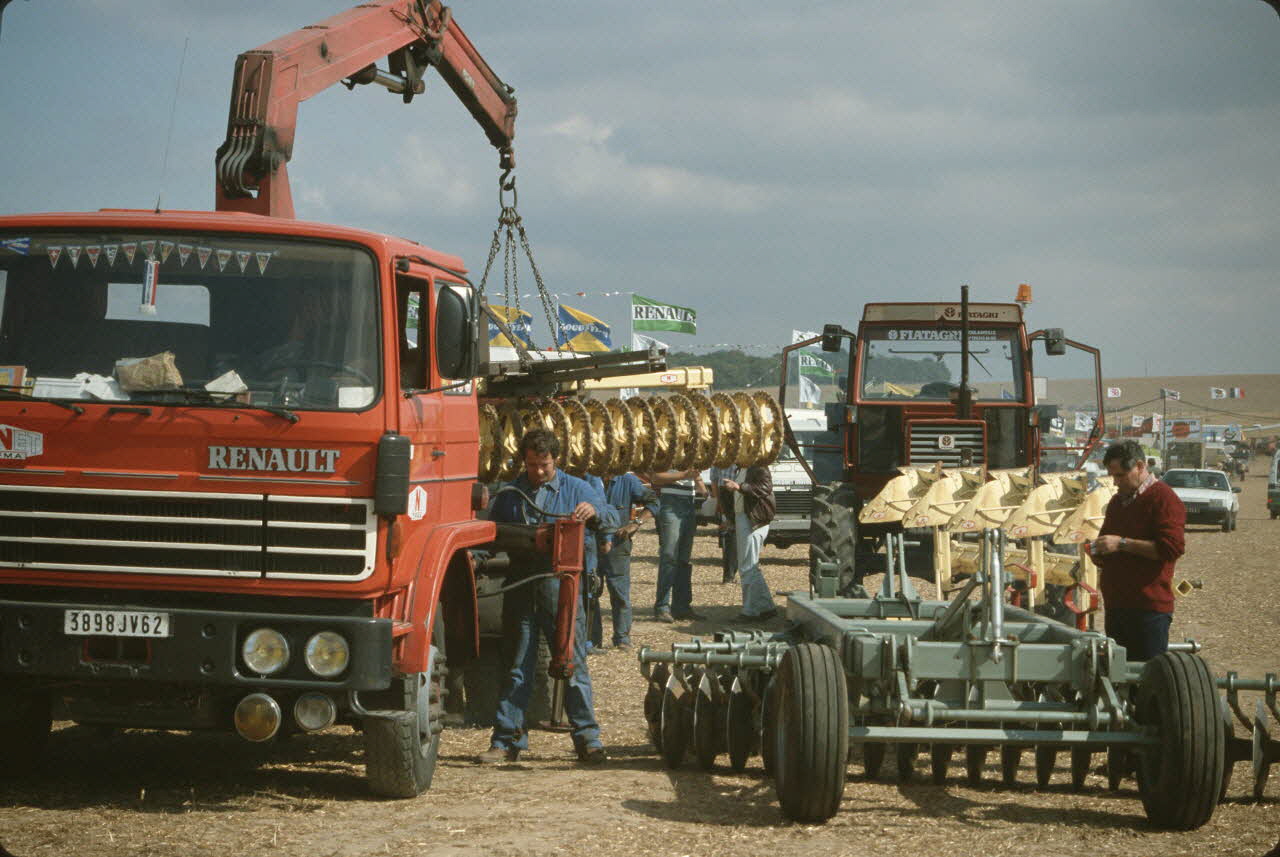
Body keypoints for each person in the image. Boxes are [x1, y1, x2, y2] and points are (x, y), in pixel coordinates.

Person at [477, 428, 614, 765]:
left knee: (571, 662)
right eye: (532, 465)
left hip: (563, 587)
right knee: (517, 665)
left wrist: (594, 513)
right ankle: (506, 740)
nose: (538, 472)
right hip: (523, 585)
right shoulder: (511, 494)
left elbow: (612, 518)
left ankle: (588, 740)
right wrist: (475, 558)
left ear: (556, 461)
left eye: (545, 465)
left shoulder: (578, 489)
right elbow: (487, 536)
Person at [1090, 439, 1186, 661]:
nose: (1115, 482)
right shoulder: (1118, 502)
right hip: (1117, 607)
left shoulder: (1164, 499)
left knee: (1145, 681)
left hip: (1148, 610)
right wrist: (1098, 551)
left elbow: (1171, 549)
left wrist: (1121, 543)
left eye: (1120, 476)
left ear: (1140, 467)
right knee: (1120, 676)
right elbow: (1109, 541)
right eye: (1113, 476)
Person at [593, 471, 658, 649]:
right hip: (590, 543)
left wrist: (636, 523)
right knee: (591, 591)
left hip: (618, 541)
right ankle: (592, 640)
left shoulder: (627, 481)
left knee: (619, 592)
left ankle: (622, 638)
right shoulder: (587, 478)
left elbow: (654, 501)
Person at [720, 464, 777, 622]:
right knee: (749, 565)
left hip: (753, 521)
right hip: (744, 519)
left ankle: (750, 611)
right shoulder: (742, 469)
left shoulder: (759, 468)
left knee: (747, 566)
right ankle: (767, 607)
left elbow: (765, 488)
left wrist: (739, 486)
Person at [650, 467, 707, 622]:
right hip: (671, 504)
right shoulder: (669, 453)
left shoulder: (692, 456)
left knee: (683, 558)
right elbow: (656, 477)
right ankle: (662, 607)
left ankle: (681, 607)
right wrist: (684, 475)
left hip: (689, 503)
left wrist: (701, 487)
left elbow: (698, 482)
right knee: (669, 556)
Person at [708, 463, 738, 583]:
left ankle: (730, 574)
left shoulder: (721, 452)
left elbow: (714, 480)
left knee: (732, 534)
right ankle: (729, 574)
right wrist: (718, 501)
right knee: (732, 534)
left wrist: (718, 500)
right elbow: (714, 479)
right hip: (729, 492)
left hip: (732, 491)